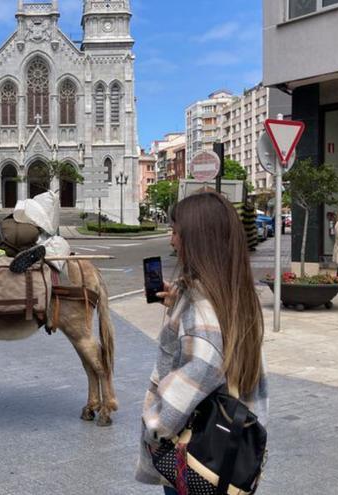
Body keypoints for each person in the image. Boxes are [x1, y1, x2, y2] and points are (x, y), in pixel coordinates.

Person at [135, 192, 268, 494]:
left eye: (175, 232)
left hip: (195, 453)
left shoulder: (202, 308)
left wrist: (156, 425)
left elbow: (204, 366)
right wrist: (180, 299)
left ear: (197, 240)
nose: (171, 240)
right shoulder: (235, 295)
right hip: (228, 452)